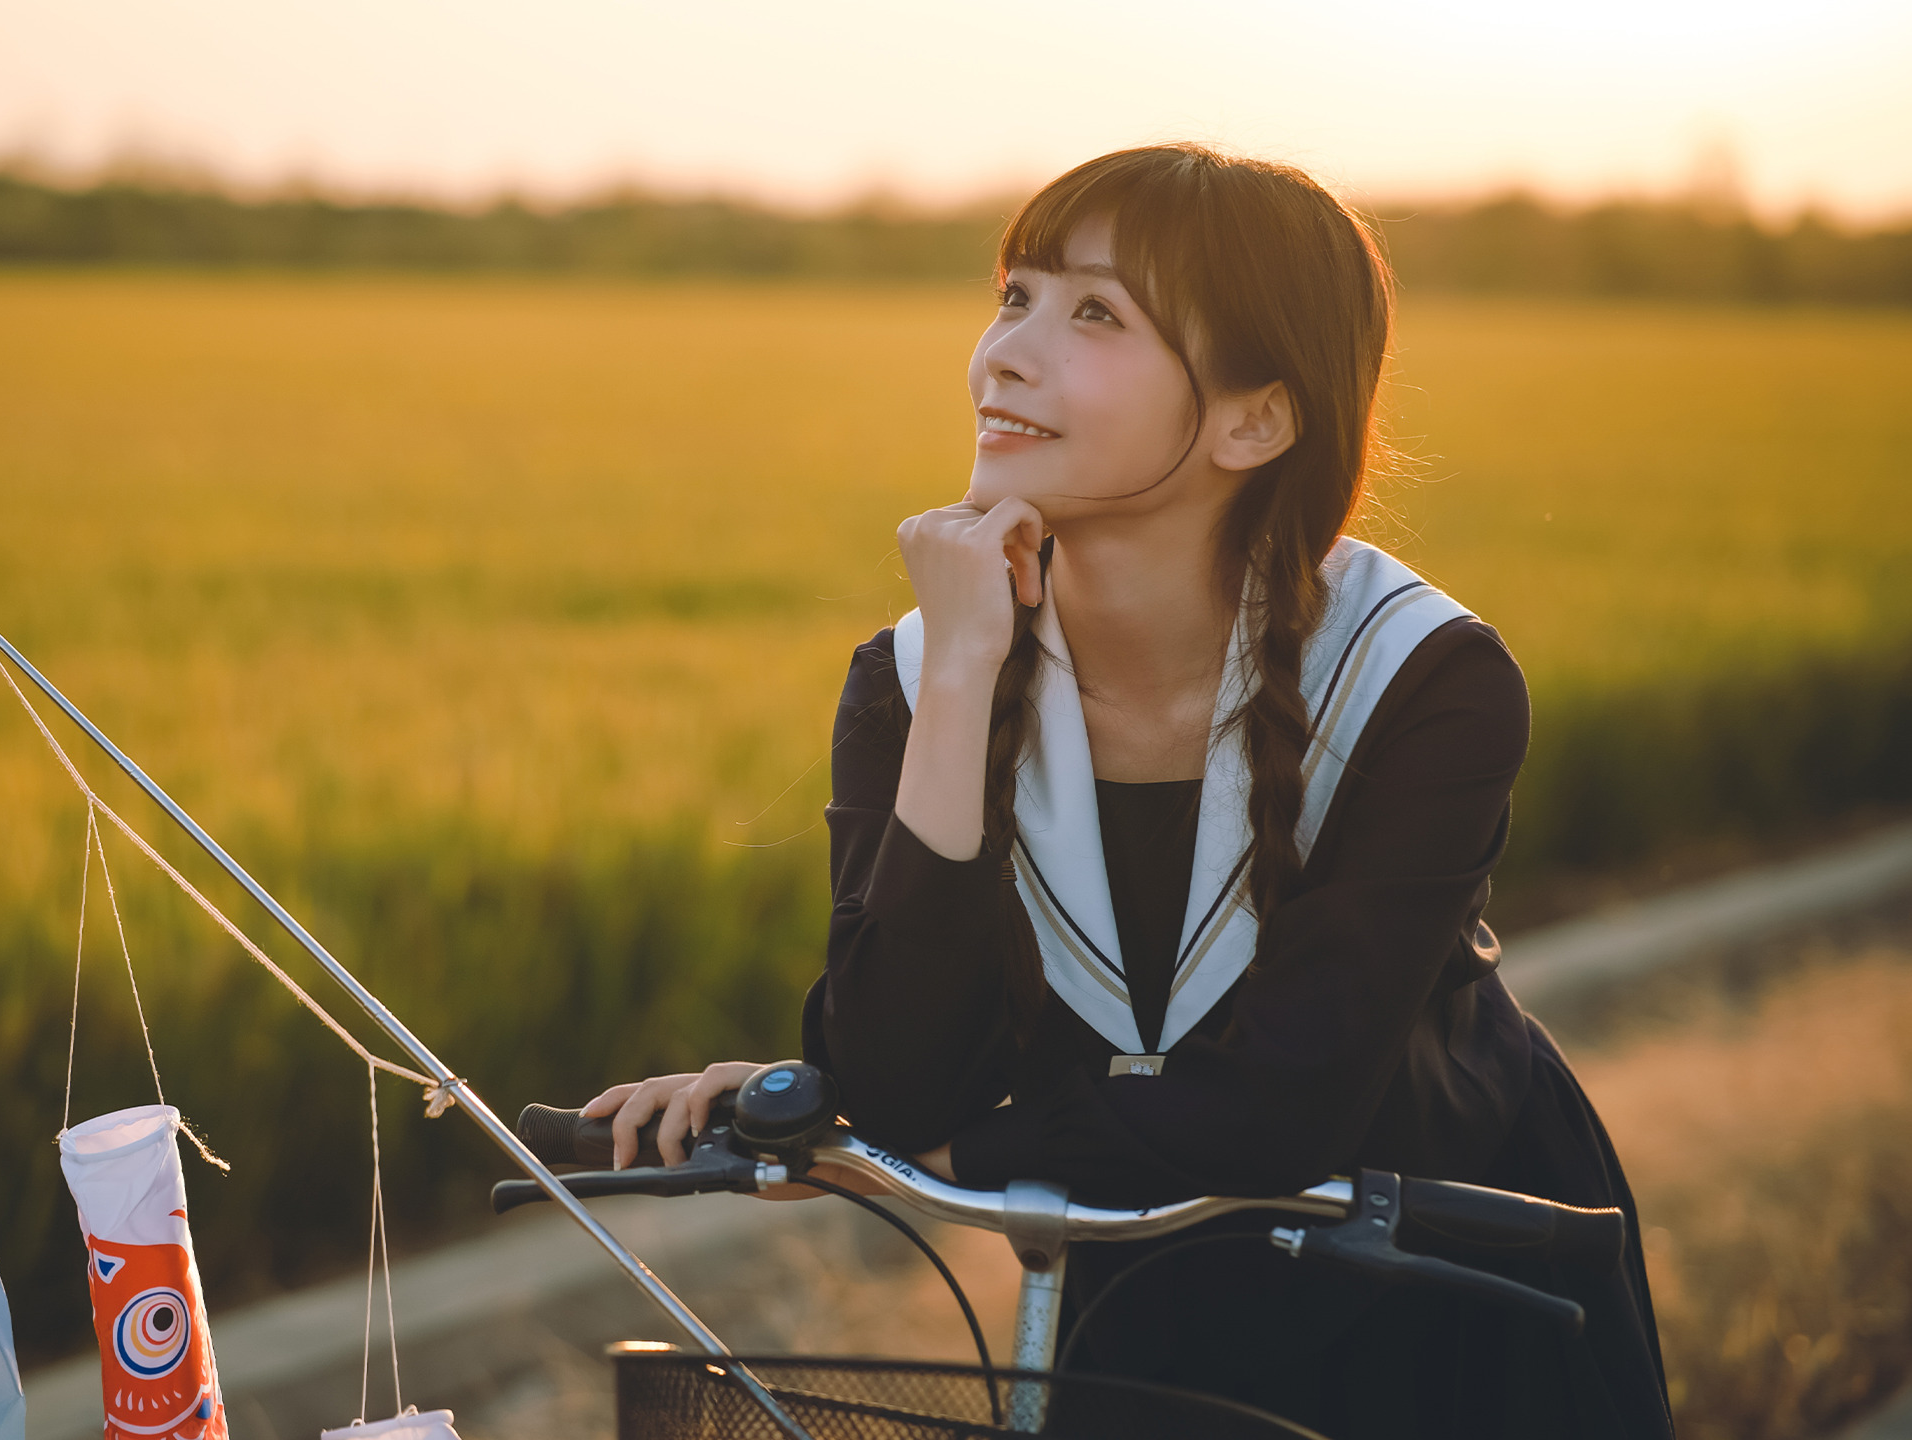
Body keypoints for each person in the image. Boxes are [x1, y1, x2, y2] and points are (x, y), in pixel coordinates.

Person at [580, 146, 1674, 1440]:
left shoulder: (1421, 680)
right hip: (1139, 1286)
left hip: (1449, 1290)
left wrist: (944, 1159)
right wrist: (969, 673)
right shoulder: (919, 672)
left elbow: (1282, 1103)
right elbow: (903, 1076)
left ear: (1252, 420)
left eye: (1095, 313)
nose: (1006, 354)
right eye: (1014, 297)